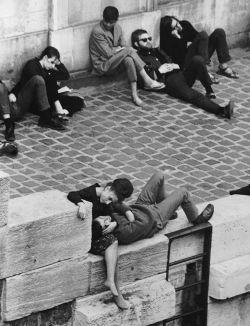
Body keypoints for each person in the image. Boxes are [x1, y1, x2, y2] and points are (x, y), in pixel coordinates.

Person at [131, 29, 234, 119]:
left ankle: (209, 89)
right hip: (170, 81)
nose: (148, 41)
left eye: (149, 38)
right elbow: (142, 80)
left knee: (197, 59)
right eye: (144, 40)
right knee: (194, 96)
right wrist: (159, 71)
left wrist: (175, 65)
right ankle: (221, 111)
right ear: (136, 44)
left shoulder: (156, 50)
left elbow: (170, 60)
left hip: (181, 74)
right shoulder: (138, 57)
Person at [67, 177, 134, 309]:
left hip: (97, 236)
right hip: (87, 239)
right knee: (113, 247)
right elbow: (72, 194)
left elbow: (111, 214)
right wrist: (81, 204)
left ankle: (111, 283)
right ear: (108, 188)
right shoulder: (91, 193)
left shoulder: (107, 201)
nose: (108, 202)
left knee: (113, 247)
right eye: (109, 198)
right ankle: (115, 291)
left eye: (111, 201)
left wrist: (114, 223)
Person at [89, 6, 165, 107]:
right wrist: (120, 49)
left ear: (116, 20)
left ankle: (135, 95)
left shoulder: (118, 28)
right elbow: (108, 53)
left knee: (129, 59)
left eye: (111, 22)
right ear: (103, 18)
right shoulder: (97, 31)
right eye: (106, 21)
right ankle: (147, 79)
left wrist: (120, 49)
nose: (107, 24)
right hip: (102, 65)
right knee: (129, 50)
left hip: (116, 62)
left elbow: (123, 45)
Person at [111, 172, 214, 245]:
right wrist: (123, 215)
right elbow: (145, 224)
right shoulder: (123, 232)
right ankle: (196, 219)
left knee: (158, 176)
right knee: (183, 192)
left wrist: (127, 210)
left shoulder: (107, 216)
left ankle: (168, 210)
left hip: (139, 206)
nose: (103, 219)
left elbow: (115, 204)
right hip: (155, 216)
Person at [160, 16, 239, 82]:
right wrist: (179, 38)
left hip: (199, 54)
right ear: (170, 31)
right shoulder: (167, 41)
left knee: (219, 32)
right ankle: (204, 72)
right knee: (203, 34)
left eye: (177, 22)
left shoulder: (185, 24)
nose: (179, 26)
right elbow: (180, 59)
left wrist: (194, 45)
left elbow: (199, 39)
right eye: (175, 27)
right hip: (187, 62)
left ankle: (223, 67)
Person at [8, 46, 70, 131]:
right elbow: (37, 83)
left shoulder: (47, 69)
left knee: (76, 100)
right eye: (51, 62)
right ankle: (50, 116)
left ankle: (59, 112)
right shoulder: (32, 65)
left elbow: (65, 75)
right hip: (30, 100)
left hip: (43, 99)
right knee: (44, 79)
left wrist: (58, 63)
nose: (53, 66)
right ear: (45, 57)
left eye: (54, 64)